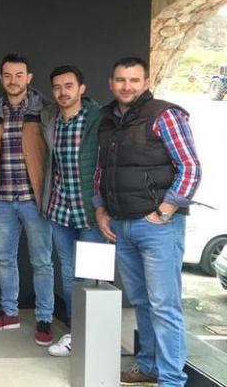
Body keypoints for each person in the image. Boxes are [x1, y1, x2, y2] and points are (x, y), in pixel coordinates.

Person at [95, 57, 201, 387]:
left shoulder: (164, 114)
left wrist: (165, 211)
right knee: (141, 301)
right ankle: (147, 367)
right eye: (121, 80)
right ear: (111, 82)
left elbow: (191, 168)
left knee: (164, 306)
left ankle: (171, 379)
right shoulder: (107, 120)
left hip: (158, 228)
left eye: (134, 80)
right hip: (122, 225)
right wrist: (101, 208)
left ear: (146, 81)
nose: (127, 86)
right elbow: (101, 170)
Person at [0, 53, 55, 347]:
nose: (14, 81)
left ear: (29, 78)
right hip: (1, 200)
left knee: (41, 262)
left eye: (19, 75)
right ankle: (10, 312)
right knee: (4, 259)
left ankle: (45, 317)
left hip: (34, 199)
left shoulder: (46, 112)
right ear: (1, 79)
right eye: (8, 76)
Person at [39, 66, 104, 357]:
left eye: (69, 86)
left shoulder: (99, 119)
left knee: (95, 277)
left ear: (82, 88)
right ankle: (76, 334)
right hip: (60, 211)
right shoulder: (50, 118)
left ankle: (97, 338)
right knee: (69, 276)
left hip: (92, 213)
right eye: (57, 87)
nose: (63, 92)